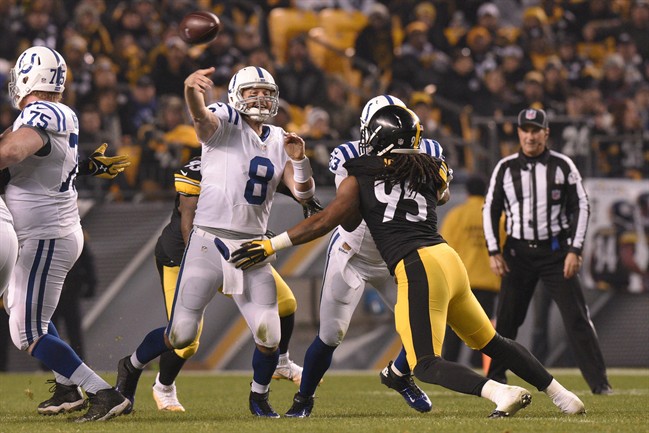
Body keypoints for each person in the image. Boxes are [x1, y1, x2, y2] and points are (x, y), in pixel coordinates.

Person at [232, 105, 586, 418]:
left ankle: (498, 391)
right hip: (447, 259)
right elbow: (441, 190)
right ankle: (563, 395)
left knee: (427, 364)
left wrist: (270, 244)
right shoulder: (430, 167)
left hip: (417, 265)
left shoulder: (361, 169)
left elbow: (330, 220)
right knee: (491, 341)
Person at [114, 65, 316, 418]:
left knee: (268, 334)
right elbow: (201, 120)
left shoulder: (281, 138)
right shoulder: (225, 121)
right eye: (252, 91)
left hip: (252, 246)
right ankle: (130, 366)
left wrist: (299, 162)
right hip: (207, 242)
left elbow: (304, 193)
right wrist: (192, 92)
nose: (260, 97)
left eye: (266, 92)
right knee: (181, 336)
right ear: (237, 95)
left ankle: (259, 398)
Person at [282, 95, 440, 418]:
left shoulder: (428, 153)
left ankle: (400, 377)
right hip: (351, 252)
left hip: (396, 257)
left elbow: (438, 196)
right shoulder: (348, 156)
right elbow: (352, 212)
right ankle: (303, 399)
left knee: (425, 325)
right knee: (330, 334)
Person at [0, 46, 131, 422]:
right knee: (24, 313)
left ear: (27, 78)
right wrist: (87, 165)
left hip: (45, 235)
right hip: (48, 231)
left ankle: (103, 392)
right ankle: (67, 386)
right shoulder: (57, 112)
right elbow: (45, 160)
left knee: (26, 333)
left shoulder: (42, 112)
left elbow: (11, 152)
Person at [144, 155, 319, 412]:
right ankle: (163, 385)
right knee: (185, 340)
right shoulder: (201, 168)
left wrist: (304, 197)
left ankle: (281, 362)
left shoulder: (248, 158)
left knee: (286, 303)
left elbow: (280, 181)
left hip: (235, 254)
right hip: (185, 257)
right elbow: (188, 223)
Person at [483, 107, 612, 395]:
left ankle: (599, 383)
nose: (530, 136)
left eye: (535, 130)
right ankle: (495, 377)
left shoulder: (563, 165)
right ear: (518, 132)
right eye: (525, 130)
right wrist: (494, 250)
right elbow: (490, 209)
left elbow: (582, 206)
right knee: (506, 320)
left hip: (556, 253)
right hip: (517, 253)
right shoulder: (505, 168)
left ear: (546, 133)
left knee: (577, 317)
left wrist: (575, 249)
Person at [440, 175, 501, 371]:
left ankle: (449, 365)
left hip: (460, 281)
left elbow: (443, 246)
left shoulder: (456, 215)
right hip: (488, 281)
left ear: (466, 192)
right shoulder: (496, 216)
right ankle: (480, 365)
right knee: (482, 329)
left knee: (454, 329)